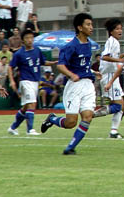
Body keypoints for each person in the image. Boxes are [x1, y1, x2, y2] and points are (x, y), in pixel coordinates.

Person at [40, 13, 96, 155]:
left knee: (87, 117)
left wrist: (93, 72)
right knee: (71, 122)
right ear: (80, 27)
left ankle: (70, 148)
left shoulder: (89, 44)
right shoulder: (70, 46)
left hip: (88, 85)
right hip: (74, 86)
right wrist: (71, 75)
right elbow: (60, 65)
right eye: (88, 24)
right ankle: (52, 119)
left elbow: (84, 65)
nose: (91, 27)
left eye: (91, 24)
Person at [6, 29, 57, 135]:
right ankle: (30, 130)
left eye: (31, 37)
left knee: (26, 107)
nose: (30, 40)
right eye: (27, 38)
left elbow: (43, 62)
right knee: (32, 104)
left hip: (35, 81)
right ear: (23, 40)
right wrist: (12, 81)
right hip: (26, 81)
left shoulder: (37, 50)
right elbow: (10, 67)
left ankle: (13, 127)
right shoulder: (19, 53)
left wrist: (54, 62)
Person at [92, 18, 124, 138]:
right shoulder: (112, 41)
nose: (120, 31)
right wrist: (120, 60)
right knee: (118, 106)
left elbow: (113, 56)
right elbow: (105, 57)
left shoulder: (115, 42)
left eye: (121, 28)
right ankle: (90, 114)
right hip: (109, 75)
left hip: (112, 76)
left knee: (121, 107)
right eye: (117, 29)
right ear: (111, 31)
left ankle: (114, 131)